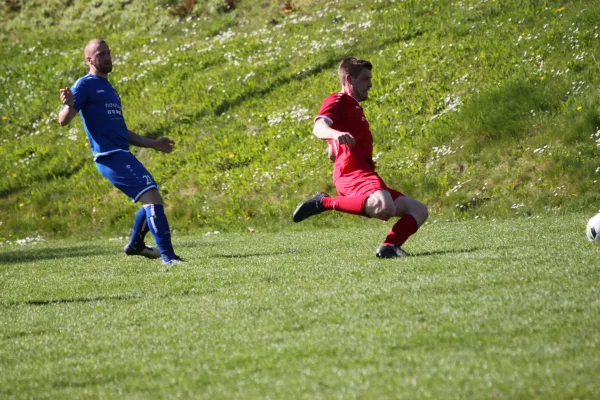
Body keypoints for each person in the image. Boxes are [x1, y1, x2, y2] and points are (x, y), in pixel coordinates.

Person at [58, 39, 183, 265]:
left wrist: (153, 143)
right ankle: (169, 258)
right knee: (152, 199)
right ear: (89, 59)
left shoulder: (110, 88)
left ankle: (136, 245)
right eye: (100, 54)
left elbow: (122, 131)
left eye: (108, 52)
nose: (107, 57)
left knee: (152, 200)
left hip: (121, 153)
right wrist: (68, 104)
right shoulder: (85, 84)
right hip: (109, 156)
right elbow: (63, 121)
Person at [293, 57, 428, 258]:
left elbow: (333, 149)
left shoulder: (353, 107)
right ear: (349, 79)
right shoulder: (338, 100)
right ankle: (324, 203)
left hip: (363, 171)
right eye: (365, 79)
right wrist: (335, 135)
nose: (370, 84)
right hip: (352, 171)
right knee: (384, 206)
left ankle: (389, 246)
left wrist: (335, 145)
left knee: (418, 210)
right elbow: (318, 126)